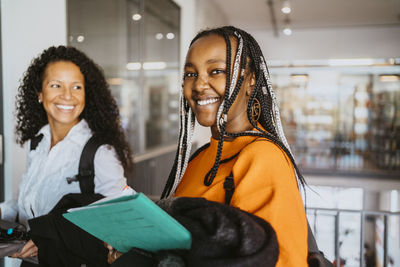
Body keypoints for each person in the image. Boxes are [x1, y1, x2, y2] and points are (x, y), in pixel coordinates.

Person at [160, 26, 308, 266]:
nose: (198, 85)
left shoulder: (262, 156)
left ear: (250, 80)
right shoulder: (199, 158)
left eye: (216, 71)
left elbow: (282, 260)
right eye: (190, 74)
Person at [0, 46, 134, 265]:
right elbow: (28, 200)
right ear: (40, 94)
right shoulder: (37, 143)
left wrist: (54, 237)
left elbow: (117, 220)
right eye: (56, 85)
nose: (67, 95)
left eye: (76, 87)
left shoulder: (99, 151)